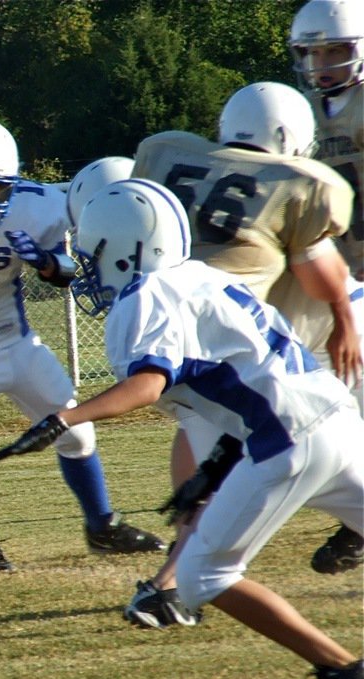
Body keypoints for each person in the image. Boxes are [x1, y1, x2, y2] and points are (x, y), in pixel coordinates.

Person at [0, 177, 364, 679]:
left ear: (124, 249)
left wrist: (63, 419)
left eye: (94, 254)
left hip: (289, 439)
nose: (90, 268)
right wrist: (214, 466)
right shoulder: (202, 276)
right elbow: (244, 377)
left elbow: (149, 384)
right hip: (335, 417)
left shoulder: (147, 294)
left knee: (201, 575)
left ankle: (343, 673)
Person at [128, 82, 362, 625]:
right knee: (235, 457)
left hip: (170, 336)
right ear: (290, 138)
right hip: (237, 346)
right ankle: (175, 584)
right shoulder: (296, 186)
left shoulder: (170, 157)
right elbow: (320, 275)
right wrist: (344, 319)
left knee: (217, 451)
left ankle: (172, 584)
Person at [0, 119, 163, 574]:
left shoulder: (36, 205)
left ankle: (102, 526)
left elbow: (71, 270)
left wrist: (48, 262)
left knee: (77, 432)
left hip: (13, 343)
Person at [290, 0, 363, 280]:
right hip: (330, 266)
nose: (321, 64)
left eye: (334, 51)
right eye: (313, 53)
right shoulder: (301, 109)